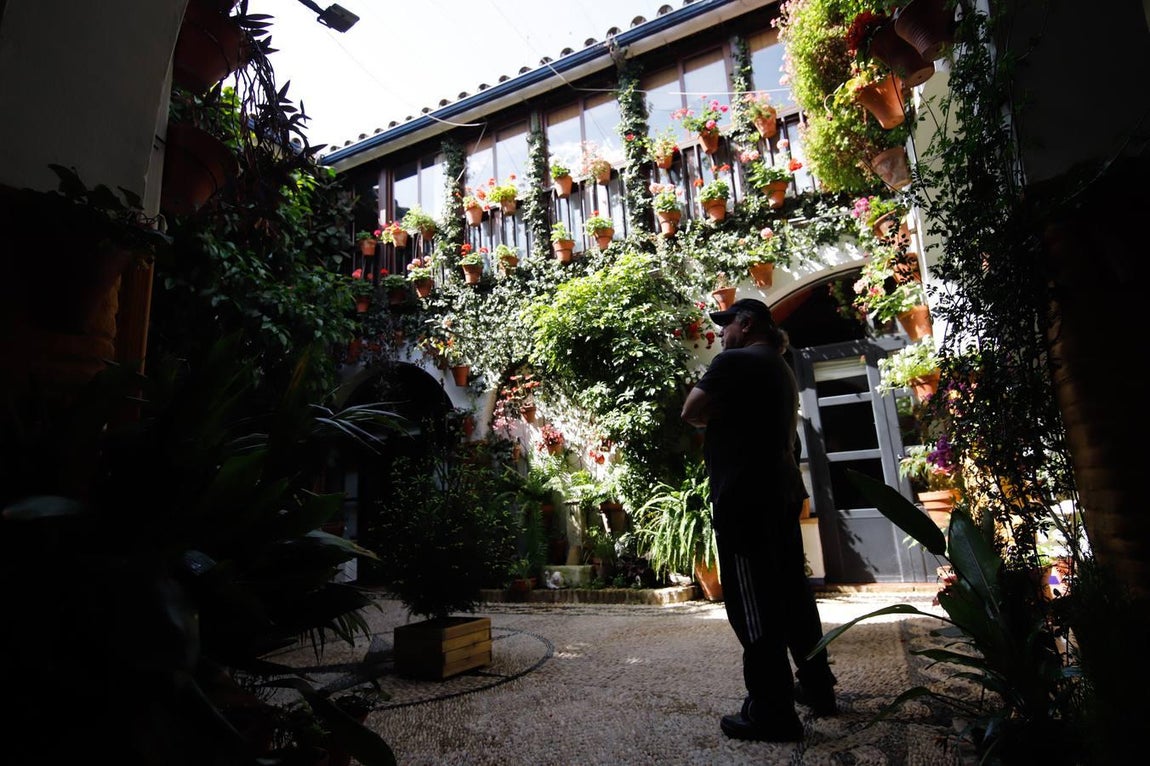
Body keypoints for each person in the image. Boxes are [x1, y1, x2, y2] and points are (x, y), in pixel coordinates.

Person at [681, 298, 837, 742]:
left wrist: (717, 413)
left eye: (725, 325)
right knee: (791, 592)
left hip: (744, 498)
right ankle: (817, 685)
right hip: (782, 493)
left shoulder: (735, 362)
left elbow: (691, 411)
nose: (720, 335)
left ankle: (772, 711)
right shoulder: (779, 366)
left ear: (746, 324)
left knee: (753, 605)